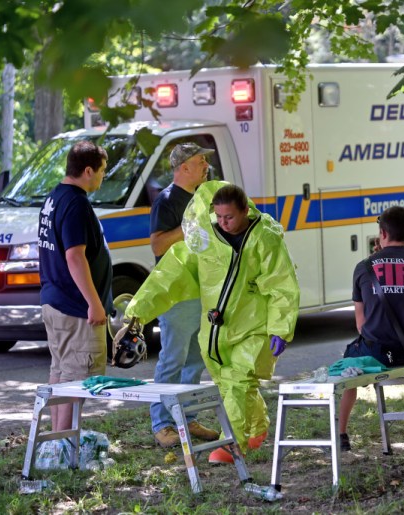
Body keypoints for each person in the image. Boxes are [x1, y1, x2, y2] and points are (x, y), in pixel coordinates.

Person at [124, 181, 299, 464]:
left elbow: (281, 284)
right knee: (231, 384)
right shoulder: (206, 240)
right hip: (215, 331)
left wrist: (280, 327)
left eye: (229, 217)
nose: (223, 223)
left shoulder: (265, 239)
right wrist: (137, 313)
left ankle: (231, 444)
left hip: (253, 328)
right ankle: (257, 429)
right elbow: (170, 274)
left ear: (245, 211)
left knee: (238, 382)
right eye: (218, 217)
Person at [338, 206, 404, 452]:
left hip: (375, 354)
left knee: (348, 367)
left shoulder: (364, 267)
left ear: (382, 233)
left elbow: (361, 324)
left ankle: (342, 434)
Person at [37, 140, 113, 431]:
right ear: (88, 170)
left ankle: (56, 442)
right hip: (75, 307)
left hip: (55, 300)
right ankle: (64, 446)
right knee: (78, 378)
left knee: (61, 372)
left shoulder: (54, 198)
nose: (103, 176)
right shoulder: (76, 203)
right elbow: (74, 256)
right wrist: (94, 302)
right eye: (102, 170)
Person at [147, 143, 219, 447]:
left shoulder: (202, 196)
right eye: (199, 160)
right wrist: (189, 226)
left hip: (202, 289)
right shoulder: (166, 201)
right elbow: (158, 246)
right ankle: (162, 424)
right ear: (183, 167)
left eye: (204, 160)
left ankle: (186, 418)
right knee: (172, 358)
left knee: (195, 358)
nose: (205, 164)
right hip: (177, 293)